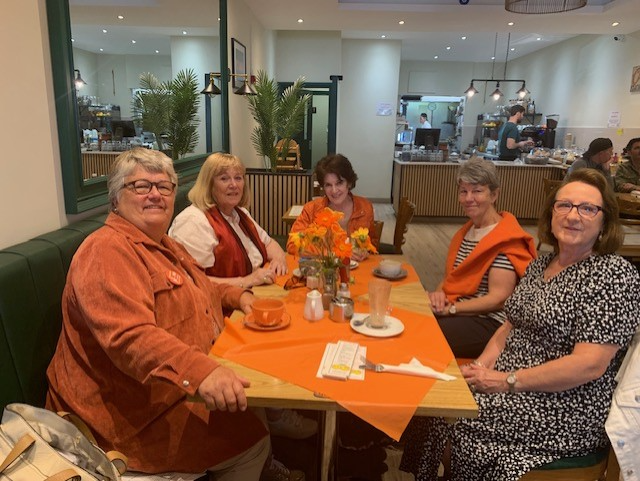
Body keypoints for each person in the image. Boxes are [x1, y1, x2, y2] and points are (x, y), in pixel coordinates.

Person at [401, 168, 640, 481]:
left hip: (561, 407)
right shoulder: (542, 263)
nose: (573, 216)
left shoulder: (613, 275)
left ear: (604, 222)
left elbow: (589, 365)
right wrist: (479, 368)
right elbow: (507, 326)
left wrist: (506, 381)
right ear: (551, 215)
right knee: (432, 402)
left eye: (587, 208)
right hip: (511, 385)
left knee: (457, 421)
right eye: (564, 205)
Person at [46, 148, 270, 479]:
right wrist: (202, 371)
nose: (155, 194)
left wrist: (238, 296)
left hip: (167, 391)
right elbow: (130, 338)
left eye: (164, 186)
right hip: (125, 421)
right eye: (141, 186)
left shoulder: (164, 244)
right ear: (116, 198)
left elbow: (200, 286)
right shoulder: (106, 249)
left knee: (254, 407)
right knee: (252, 443)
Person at [429, 157, 536, 358]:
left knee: (424, 335)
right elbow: (452, 277)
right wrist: (439, 294)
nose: (468, 198)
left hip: (491, 324)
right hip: (461, 311)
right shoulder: (467, 232)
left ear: (494, 195)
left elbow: (499, 299)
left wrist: (451, 309)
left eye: (477, 191)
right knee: (410, 318)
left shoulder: (505, 238)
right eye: (463, 191)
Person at [169, 152, 287, 290]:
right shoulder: (193, 221)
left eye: (238, 178)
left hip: (258, 288)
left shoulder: (240, 213)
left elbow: (269, 243)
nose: (234, 185)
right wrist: (246, 281)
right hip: (224, 301)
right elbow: (193, 281)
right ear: (209, 184)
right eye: (224, 178)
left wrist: (278, 259)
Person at [286, 153, 379, 260]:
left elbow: (372, 244)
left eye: (339, 183)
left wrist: (365, 251)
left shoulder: (365, 207)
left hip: (357, 268)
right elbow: (292, 245)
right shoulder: (311, 209)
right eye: (328, 185)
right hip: (322, 269)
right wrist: (333, 253)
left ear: (349, 183)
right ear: (323, 187)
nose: (334, 191)